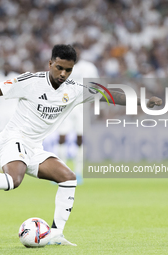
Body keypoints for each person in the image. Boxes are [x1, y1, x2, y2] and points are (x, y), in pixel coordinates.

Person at [0, 44, 162, 246]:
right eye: (59, 68)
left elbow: (109, 95)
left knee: (68, 178)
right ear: (50, 64)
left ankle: (56, 233)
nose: (63, 74)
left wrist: (143, 102)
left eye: (68, 70)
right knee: (13, 180)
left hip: (35, 147)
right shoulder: (31, 82)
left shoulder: (75, 89)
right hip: (13, 138)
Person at [56, 42, 99, 184]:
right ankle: (60, 172)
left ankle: (79, 172)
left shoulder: (89, 68)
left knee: (80, 139)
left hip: (82, 107)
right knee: (62, 137)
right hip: (66, 106)